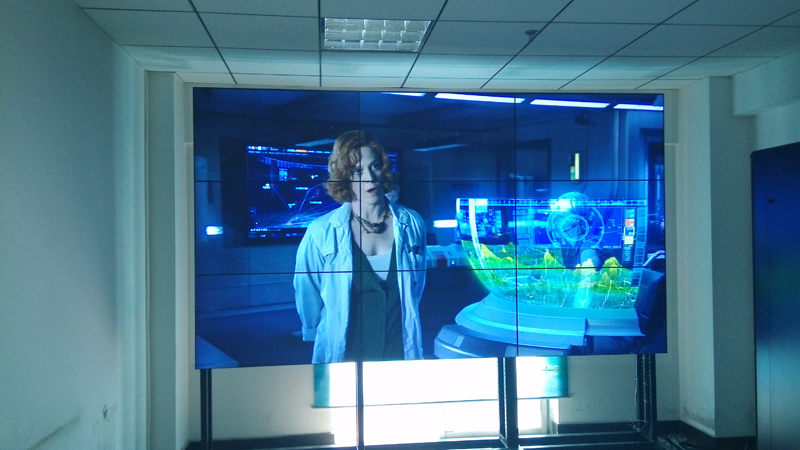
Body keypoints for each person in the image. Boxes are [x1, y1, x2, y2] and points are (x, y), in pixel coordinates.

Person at [294, 130, 427, 364]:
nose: (370, 178)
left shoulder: (412, 223)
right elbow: (307, 291)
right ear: (344, 177)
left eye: (374, 166)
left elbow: (416, 287)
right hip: (347, 354)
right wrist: (313, 331)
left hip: (398, 351)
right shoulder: (321, 231)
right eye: (358, 171)